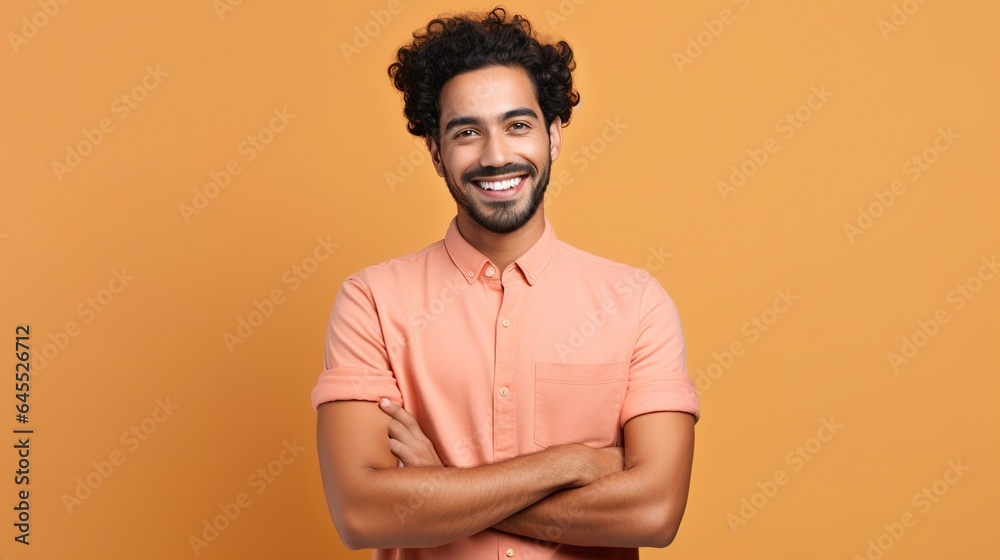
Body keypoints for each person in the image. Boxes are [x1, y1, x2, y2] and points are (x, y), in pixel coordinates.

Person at [312, 7, 700, 559]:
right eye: (467, 132)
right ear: (436, 153)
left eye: (517, 125)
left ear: (554, 135)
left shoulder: (636, 304)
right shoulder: (372, 301)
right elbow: (363, 513)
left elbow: (653, 513)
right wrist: (572, 465)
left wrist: (445, 484)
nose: (496, 156)